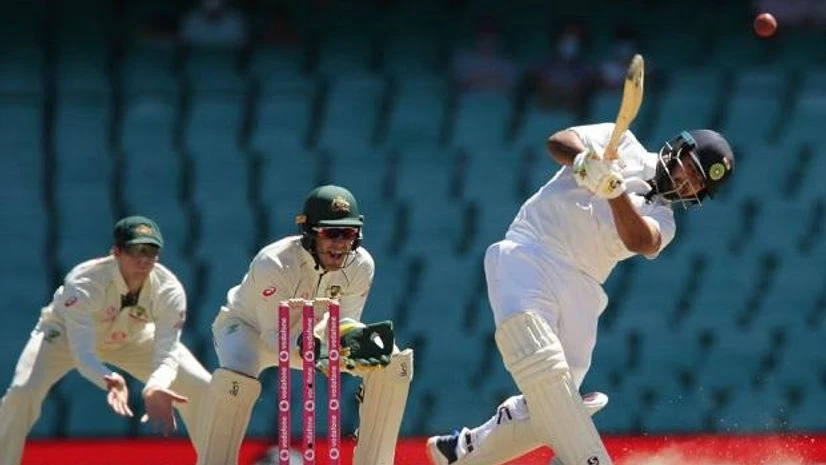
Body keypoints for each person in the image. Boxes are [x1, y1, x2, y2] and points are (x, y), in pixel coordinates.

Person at [426, 124, 735, 465]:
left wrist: (613, 190)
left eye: (697, 184)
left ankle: (459, 450)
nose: (686, 183)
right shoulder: (622, 142)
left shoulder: (665, 220)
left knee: (553, 401)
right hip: (530, 252)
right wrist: (586, 162)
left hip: (584, 289)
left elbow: (639, 240)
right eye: (690, 169)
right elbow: (557, 142)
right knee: (541, 364)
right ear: (677, 151)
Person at [197, 184, 414, 465]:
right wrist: (305, 343)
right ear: (310, 233)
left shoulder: (361, 265)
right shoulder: (273, 263)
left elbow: (346, 321)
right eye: (330, 233)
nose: (339, 243)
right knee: (237, 375)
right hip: (250, 330)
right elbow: (275, 336)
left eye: (347, 233)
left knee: (393, 362)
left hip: (316, 336)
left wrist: (346, 341)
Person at [0, 215, 212, 464]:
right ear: (116, 252)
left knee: (203, 387)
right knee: (23, 391)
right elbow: (83, 354)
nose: (144, 259)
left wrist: (155, 385)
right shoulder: (85, 282)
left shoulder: (169, 290)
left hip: (133, 337)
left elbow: (167, 353)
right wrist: (108, 380)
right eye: (135, 250)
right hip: (63, 335)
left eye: (151, 250)